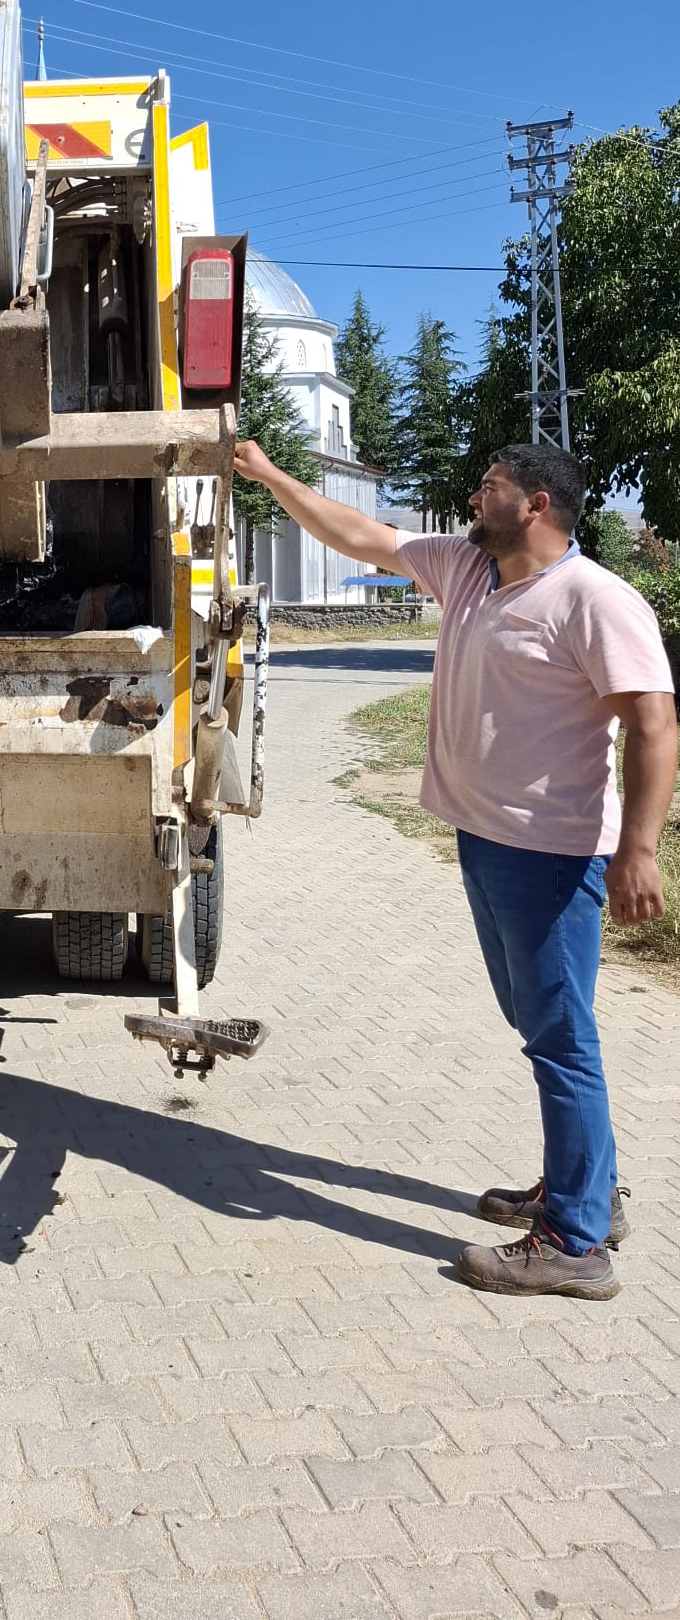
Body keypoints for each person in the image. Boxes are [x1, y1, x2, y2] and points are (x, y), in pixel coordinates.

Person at [233, 438, 677, 1300]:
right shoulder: (471, 571)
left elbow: (655, 725)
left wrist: (642, 850)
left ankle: (578, 1245)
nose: (476, 498)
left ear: (537, 506)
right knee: (543, 1024)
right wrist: (270, 475)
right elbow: (359, 534)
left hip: (552, 856)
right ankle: (587, 1190)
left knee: (559, 1038)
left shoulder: (593, 599)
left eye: (492, 487)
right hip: (483, 840)